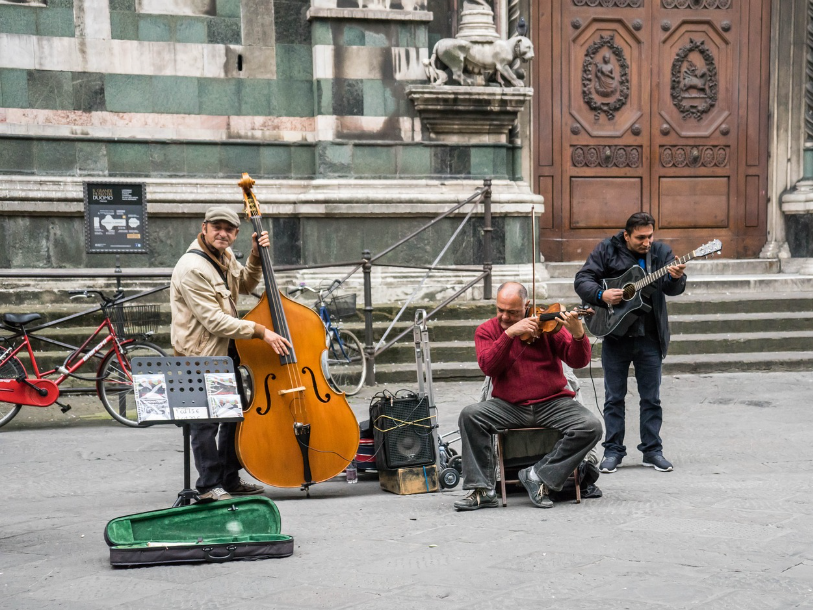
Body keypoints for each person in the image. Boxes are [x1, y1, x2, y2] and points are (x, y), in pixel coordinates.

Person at [170, 206, 292, 501]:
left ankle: (229, 477)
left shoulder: (224, 257)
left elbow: (247, 284)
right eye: (217, 227)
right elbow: (213, 320)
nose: (222, 233)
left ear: (236, 234)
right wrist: (261, 332)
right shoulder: (192, 268)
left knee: (234, 416)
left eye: (229, 229)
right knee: (206, 423)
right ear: (204, 228)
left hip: (224, 353)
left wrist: (254, 256)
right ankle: (209, 486)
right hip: (198, 356)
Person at [454, 282, 603, 511]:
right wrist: (510, 333)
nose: (504, 316)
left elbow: (578, 361)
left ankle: (537, 475)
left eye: (512, 312)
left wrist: (578, 335)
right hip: (508, 405)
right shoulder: (486, 331)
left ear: (527, 306)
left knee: (591, 426)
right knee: (470, 415)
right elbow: (489, 367)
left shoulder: (547, 324)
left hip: (553, 402)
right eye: (500, 310)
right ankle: (483, 489)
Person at [574, 212, 686, 474]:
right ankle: (613, 451)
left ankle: (652, 451)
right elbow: (582, 280)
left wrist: (676, 276)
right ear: (626, 235)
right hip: (616, 334)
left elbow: (672, 288)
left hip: (650, 335)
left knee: (652, 398)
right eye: (640, 238)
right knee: (614, 398)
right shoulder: (607, 250)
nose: (647, 242)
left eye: (650, 236)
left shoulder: (661, 253)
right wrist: (602, 294)